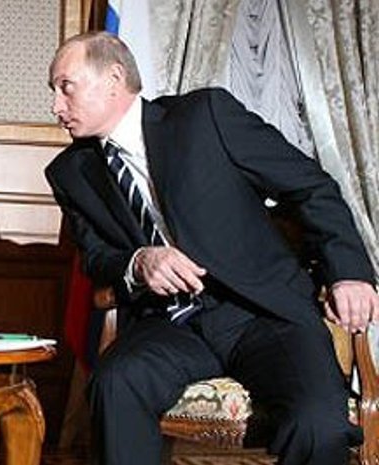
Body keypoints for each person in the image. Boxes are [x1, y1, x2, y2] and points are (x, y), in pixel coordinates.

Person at [44, 31, 379, 465]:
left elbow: (310, 188)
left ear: (113, 78)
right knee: (116, 382)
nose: (56, 106)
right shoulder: (70, 172)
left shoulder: (205, 116)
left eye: (65, 87)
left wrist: (348, 272)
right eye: (53, 91)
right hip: (170, 324)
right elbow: (96, 258)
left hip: (263, 315)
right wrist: (139, 262)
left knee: (318, 423)